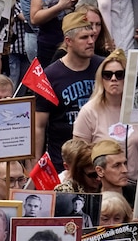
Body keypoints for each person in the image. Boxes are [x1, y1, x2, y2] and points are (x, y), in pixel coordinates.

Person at [73, 50, 138, 183]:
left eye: (120, 75)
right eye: (107, 75)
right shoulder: (88, 112)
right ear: (101, 78)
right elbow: (77, 160)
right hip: (101, 187)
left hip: (135, 187)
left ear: (128, 78)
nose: (113, 79)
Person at [34, 12, 103, 171]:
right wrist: (37, 162)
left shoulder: (104, 68)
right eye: (84, 37)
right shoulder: (50, 75)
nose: (91, 41)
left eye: (92, 36)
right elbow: (39, 124)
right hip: (63, 162)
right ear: (68, 41)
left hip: (99, 159)